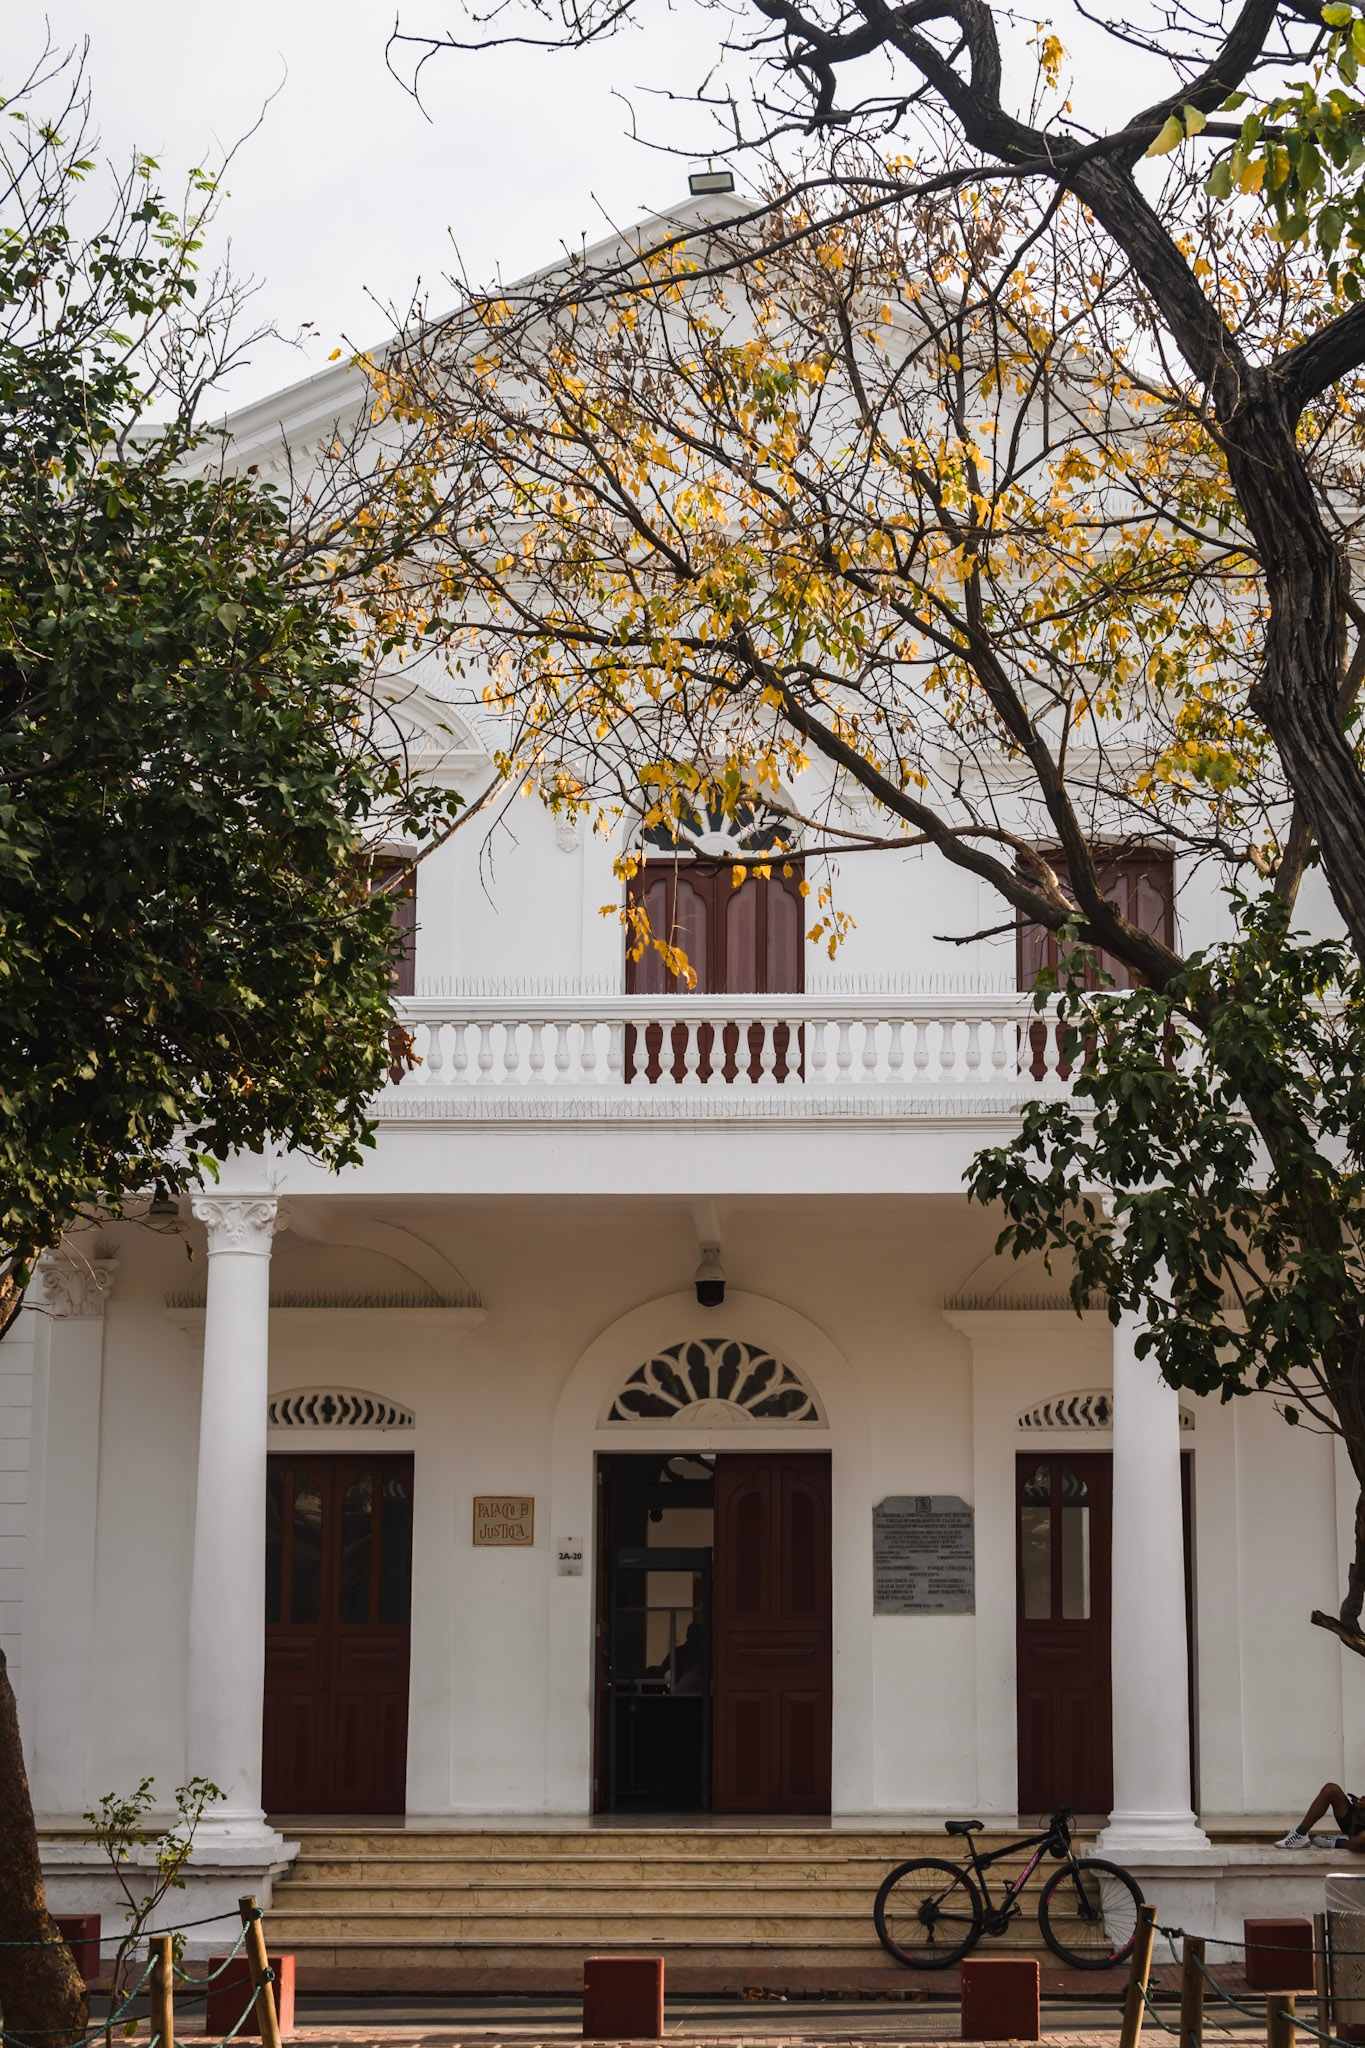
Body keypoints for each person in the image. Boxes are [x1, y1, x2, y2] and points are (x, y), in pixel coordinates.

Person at [1277, 1783, 1365, 1850]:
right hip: (1357, 1819)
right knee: (1331, 1789)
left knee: (1362, 1841)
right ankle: (1300, 1834)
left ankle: (1338, 1842)